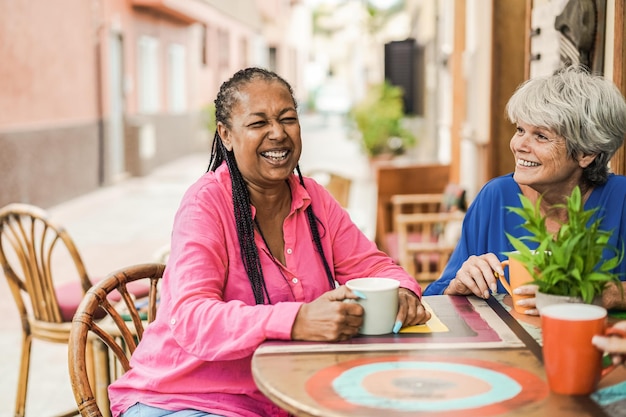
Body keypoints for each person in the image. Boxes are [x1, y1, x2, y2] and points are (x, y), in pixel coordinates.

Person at [108, 67, 431, 417]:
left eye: (287, 119)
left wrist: (401, 291)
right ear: (226, 135)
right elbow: (192, 317)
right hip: (184, 398)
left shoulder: (314, 201)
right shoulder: (206, 203)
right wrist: (297, 320)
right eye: (258, 123)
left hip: (284, 396)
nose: (278, 133)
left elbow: (375, 266)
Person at [423, 65, 626, 315]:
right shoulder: (495, 197)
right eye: (520, 130)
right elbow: (438, 295)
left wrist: (606, 293)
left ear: (586, 153)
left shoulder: (621, 199)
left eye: (540, 136)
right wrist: (459, 283)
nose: (519, 144)